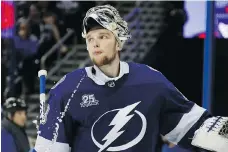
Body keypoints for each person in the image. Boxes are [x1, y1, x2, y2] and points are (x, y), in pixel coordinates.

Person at [33, 5, 228, 152]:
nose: (95, 44)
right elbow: (50, 148)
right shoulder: (68, 88)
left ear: (119, 42)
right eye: (90, 39)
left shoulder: (151, 81)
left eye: (103, 36)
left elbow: (194, 127)